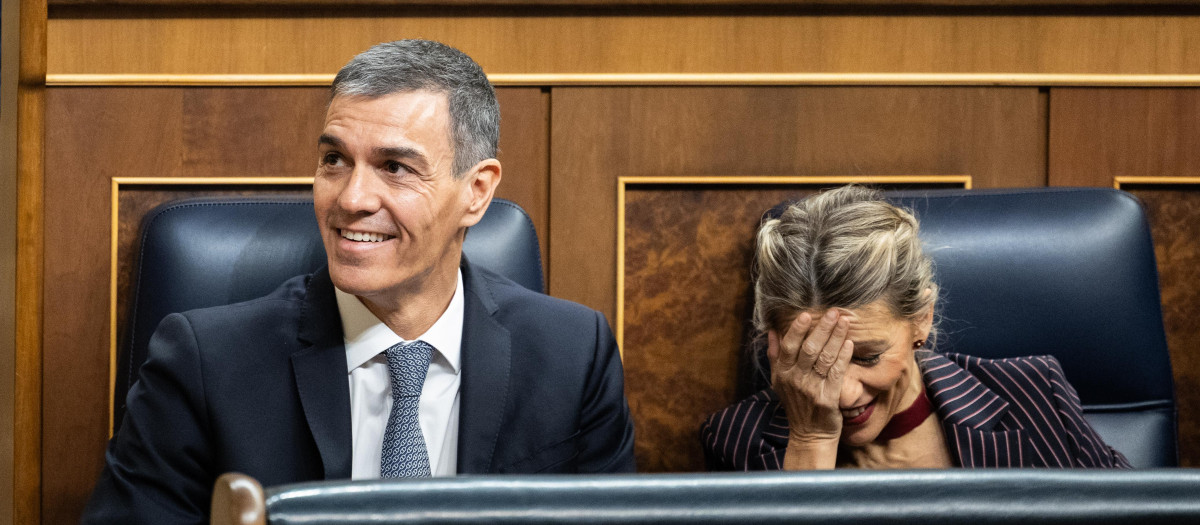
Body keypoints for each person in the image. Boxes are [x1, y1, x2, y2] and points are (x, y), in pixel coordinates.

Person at [84, 40, 635, 524]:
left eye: (395, 167)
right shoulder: (204, 363)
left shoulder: (573, 355)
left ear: (477, 191)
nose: (350, 199)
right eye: (334, 160)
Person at [700, 185, 1129, 470]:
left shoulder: (1034, 394)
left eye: (867, 356)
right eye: (819, 360)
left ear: (921, 318)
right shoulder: (739, 441)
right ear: (775, 343)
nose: (844, 393)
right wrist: (811, 439)